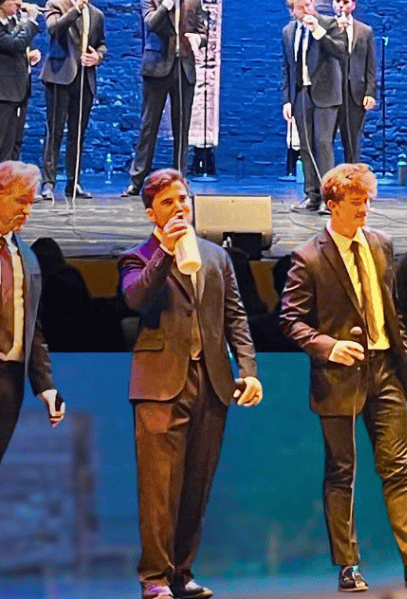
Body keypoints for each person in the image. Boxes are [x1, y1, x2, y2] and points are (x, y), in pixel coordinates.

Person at [280, 163, 407, 592]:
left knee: (397, 468)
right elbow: (291, 322)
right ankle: (348, 566)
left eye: (368, 201)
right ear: (331, 205)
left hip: (385, 368)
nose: (364, 210)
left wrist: (398, 348)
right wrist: (329, 346)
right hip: (339, 376)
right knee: (342, 471)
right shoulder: (308, 257)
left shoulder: (381, 245)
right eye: (355, 204)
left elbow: (391, 308)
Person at [119, 169, 262, 599]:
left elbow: (236, 317)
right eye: (168, 202)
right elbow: (138, 300)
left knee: (196, 485)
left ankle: (181, 572)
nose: (180, 207)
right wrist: (164, 251)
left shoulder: (217, 257)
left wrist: (249, 369)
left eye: (183, 199)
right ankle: (155, 577)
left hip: (211, 382)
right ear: (151, 214)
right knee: (160, 488)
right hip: (161, 386)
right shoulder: (137, 257)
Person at [123, 0, 207, 196]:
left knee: (182, 126)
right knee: (149, 124)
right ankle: (137, 179)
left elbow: (203, 31)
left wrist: (198, 39)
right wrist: (169, 0)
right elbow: (152, 23)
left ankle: (180, 178)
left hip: (184, 68)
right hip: (157, 67)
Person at [0, 161, 65, 464]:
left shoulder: (25, 257)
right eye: (20, 201)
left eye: (31, 202)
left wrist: (46, 387)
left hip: (9, 383)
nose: (27, 210)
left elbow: (31, 327)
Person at [40, 0, 107, 200]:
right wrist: (76, 9)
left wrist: (97, 56)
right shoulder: (56, 4)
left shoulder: (97, 14)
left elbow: (102, 44)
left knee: (78, 133)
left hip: (84, 78)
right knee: (54, 131)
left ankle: (74, 182)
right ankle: (48, 183)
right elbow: (54, 29)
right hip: (59, 75)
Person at [281, 0, 347, 212]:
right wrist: (287, 100)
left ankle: (329, 197)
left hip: (326, 93)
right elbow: (287, 68)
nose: (306, 10)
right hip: (301, 94)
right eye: (300, 8)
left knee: (322, 143)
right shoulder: (288, 32)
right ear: (293, 11)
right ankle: (312, 196)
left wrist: (318, 31)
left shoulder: (329, 24)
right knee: (306, 146)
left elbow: (340, 51)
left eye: (308, 5)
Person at [332, 0, 377, 163]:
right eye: (338, 1)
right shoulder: (326, 28)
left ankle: (351, 181)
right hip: (331, 91)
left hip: (355, 93)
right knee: (325, 140)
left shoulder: (365, 31)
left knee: (352, 141)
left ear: (353, 5)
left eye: (345, 1)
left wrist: (370, 92)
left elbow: (370, 64)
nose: (341, 5)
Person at [0, 0, 40, 163]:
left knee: (15, 141)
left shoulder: (13, 22)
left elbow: (18, 47)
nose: (19, 2)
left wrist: (28, 56)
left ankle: (10, 185)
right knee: (3, 142)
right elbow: (13, 44)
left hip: (19, 90)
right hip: (4, 93)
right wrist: (30, 21)